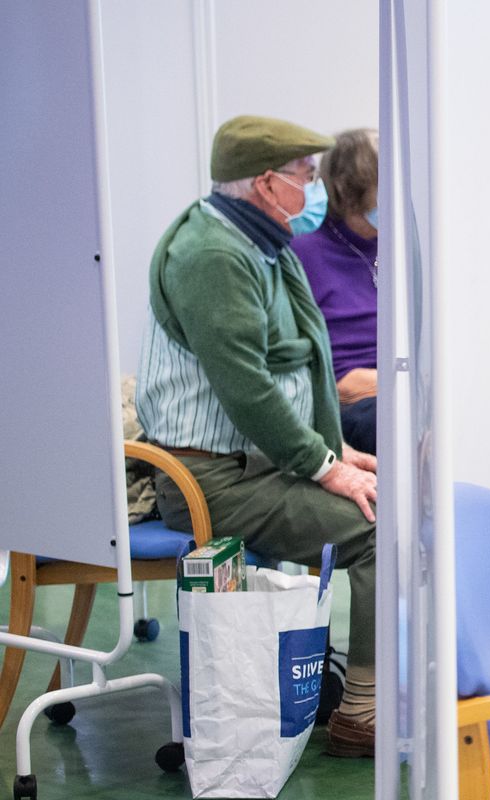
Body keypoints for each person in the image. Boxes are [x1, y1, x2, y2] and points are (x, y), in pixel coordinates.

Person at [137, 115, 380, 758]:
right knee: (379, 530)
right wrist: (325, 466)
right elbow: (246, 387)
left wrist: (334, 447)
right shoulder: (213, 255)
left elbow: (309, 354)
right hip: (210, 475)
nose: (315, 189)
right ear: (268, 184)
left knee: (389, 497)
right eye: (306, 177)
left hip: (258, 461)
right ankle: (362, 713)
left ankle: (346, 690)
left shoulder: (258, 239)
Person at [293, 128, 380, 455]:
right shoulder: (303, 252)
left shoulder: (398, 247)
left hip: (400, 387)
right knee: (397, 427)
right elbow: (328, 378)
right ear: (345, 189)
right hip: (348, 399)